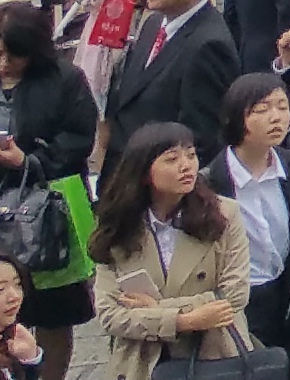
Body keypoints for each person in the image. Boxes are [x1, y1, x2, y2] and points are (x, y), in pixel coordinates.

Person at [83, 128, 246, 380]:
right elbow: (110, 313)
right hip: (142, 360)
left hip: (215, 354)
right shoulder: (119, 224)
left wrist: (156, 308)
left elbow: (233, 296)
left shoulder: (224, 214)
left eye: (191, 155)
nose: (186, 166)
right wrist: (183, 321)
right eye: (172, 159)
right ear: (144, 172)